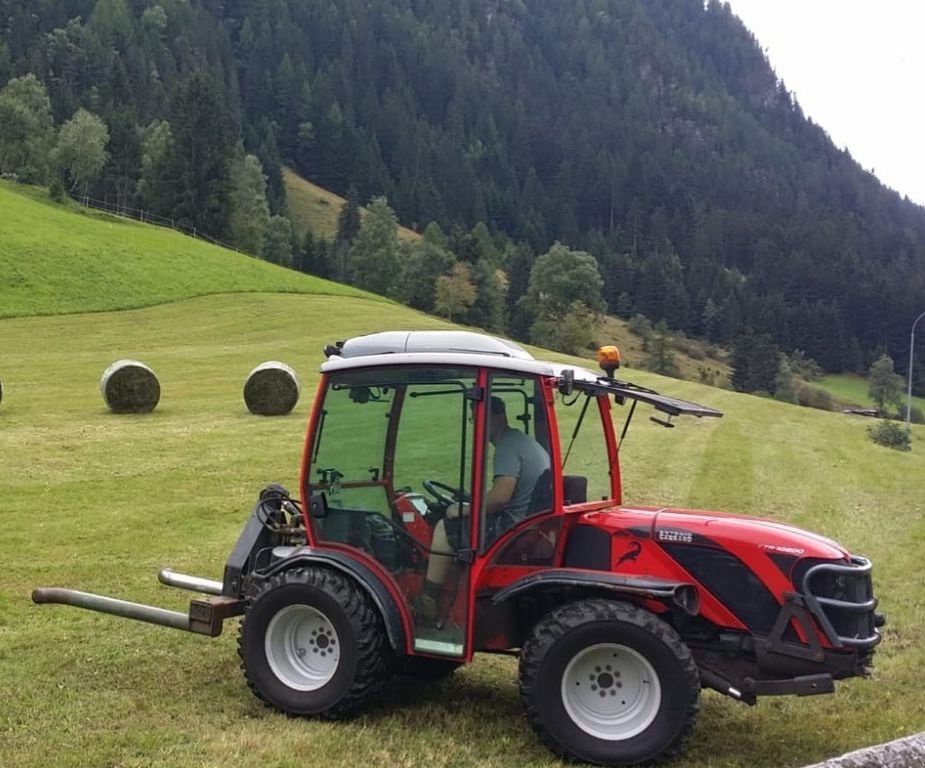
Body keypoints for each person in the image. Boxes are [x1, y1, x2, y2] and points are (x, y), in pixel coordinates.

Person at [419, 396, 550, 621]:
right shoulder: (523, 442)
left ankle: (428, 603)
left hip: (512, 527)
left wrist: (464, 510)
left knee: (443, 527)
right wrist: (471, 501)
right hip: (528, 521)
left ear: (497, 417)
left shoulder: (507, 447)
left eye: (479, 417)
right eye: (473, 418)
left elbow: (500, 498)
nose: (476, 423)